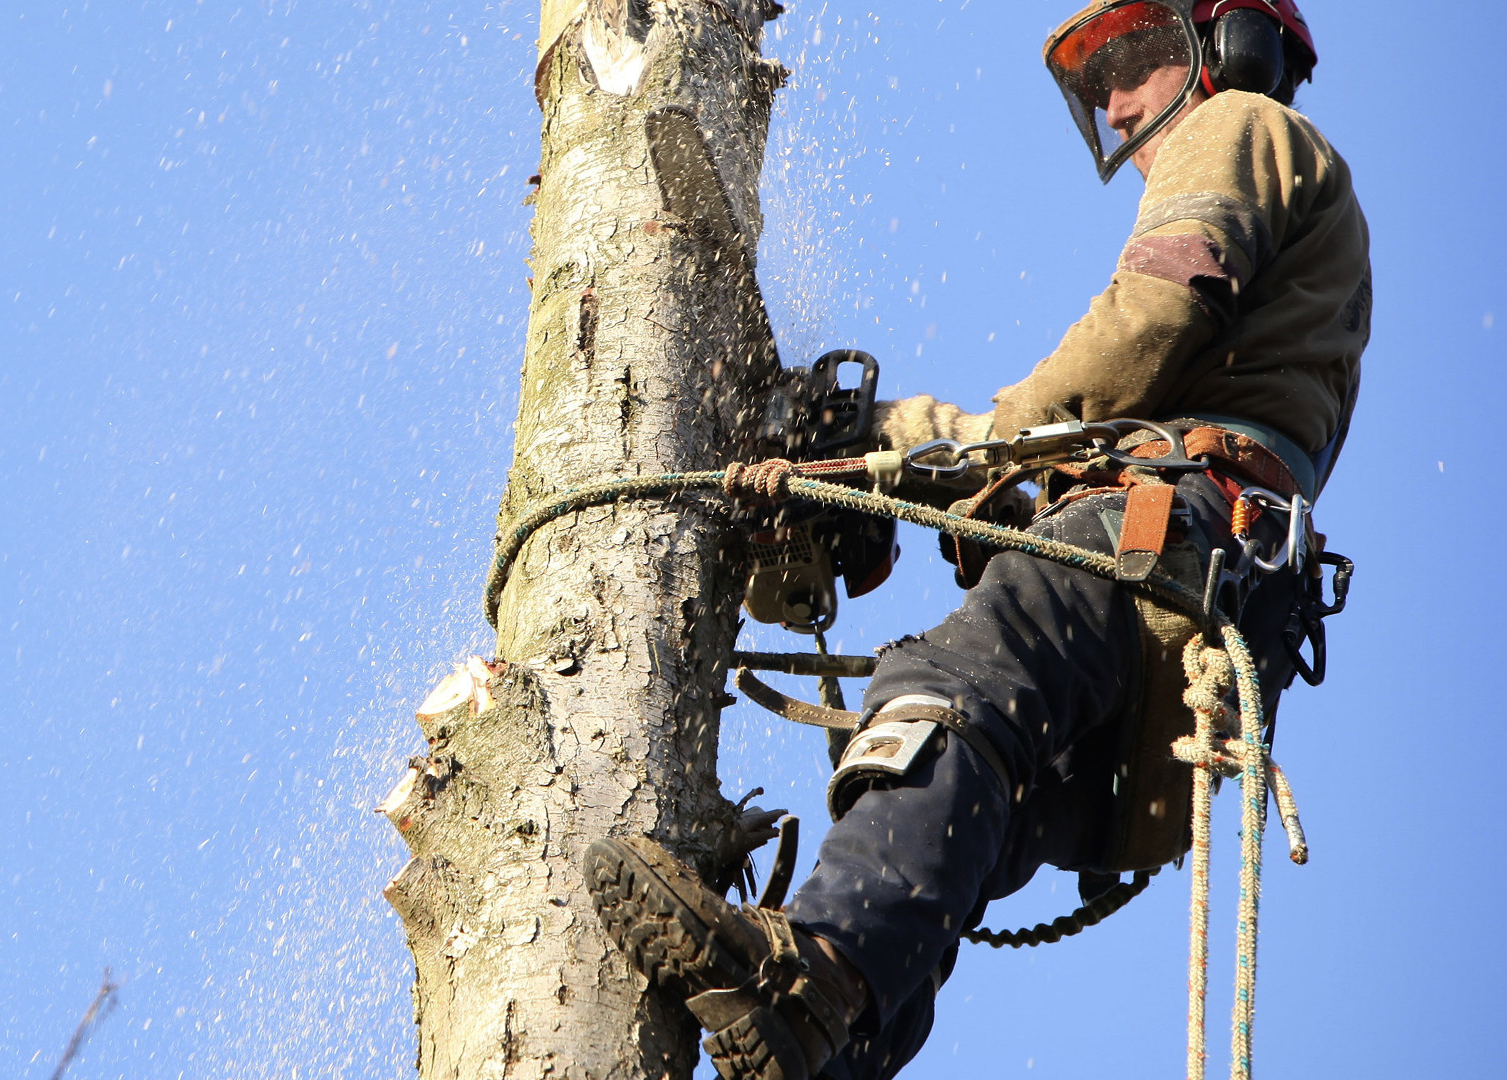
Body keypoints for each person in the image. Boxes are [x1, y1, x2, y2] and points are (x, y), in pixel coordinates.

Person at [582, 2, 1371, 1078]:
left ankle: (810, 978)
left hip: (1172, 536)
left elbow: (1142, 330)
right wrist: (913, 478)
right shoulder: (1305, 255)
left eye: (1136, 62)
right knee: (972, 803)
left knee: (942, 688)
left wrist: (940, 448)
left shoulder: (1240, 127)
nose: (1118, 100)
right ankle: (839, 1041)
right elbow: (1087, 442)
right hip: (1196, 651)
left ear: (1232, 47)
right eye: (1098, 86)